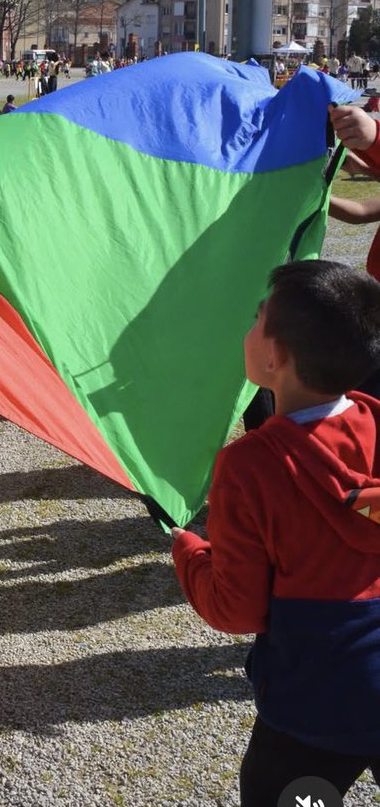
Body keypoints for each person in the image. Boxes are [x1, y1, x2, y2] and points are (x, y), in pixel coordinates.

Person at [170, 260, 380, 804]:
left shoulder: (250, 466)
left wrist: (188, 550)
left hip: (317, 701)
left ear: (275, 356)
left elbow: (236, 609)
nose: (248, 326)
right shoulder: (375, 420)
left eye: (256, 317)